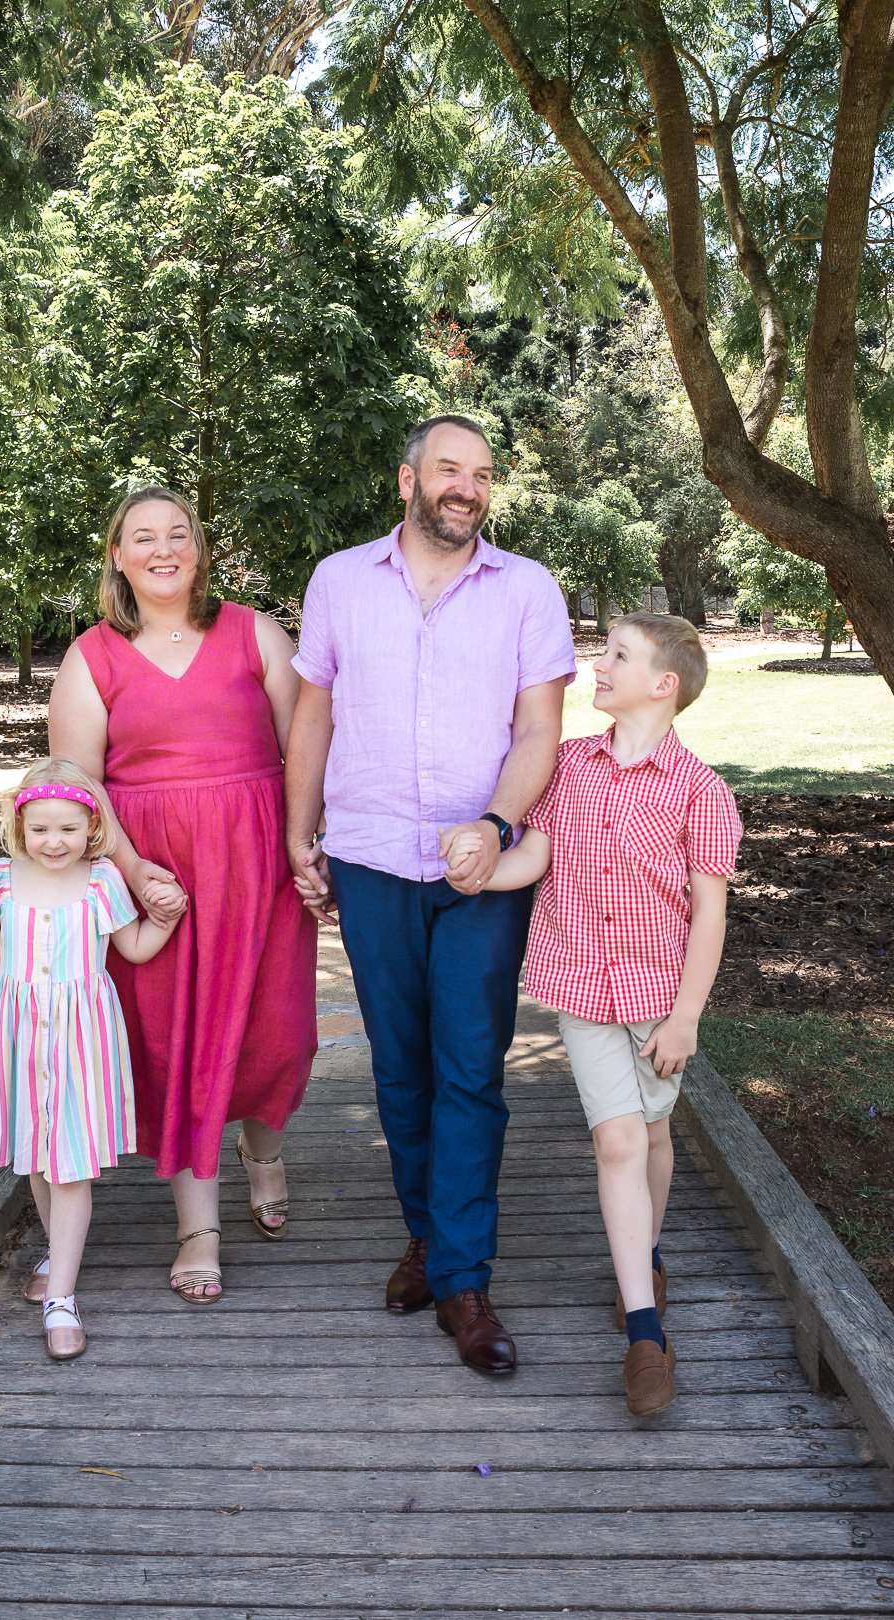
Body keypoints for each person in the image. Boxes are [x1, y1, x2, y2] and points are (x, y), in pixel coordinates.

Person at [285, 415, 576, 1373]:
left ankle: (463, 1280)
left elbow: (540, 730)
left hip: (481, 868)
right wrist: (300, 832)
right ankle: (425, 1235)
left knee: (470, 1070)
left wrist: (494, 827)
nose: (468, 487)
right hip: (369, 854)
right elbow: (315, 712)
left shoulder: (527, 589)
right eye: (450, 470)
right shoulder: (338, 580)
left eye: (483, 475)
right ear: (407, 478)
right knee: (399, 1067)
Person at [447, 612, 742, 1413]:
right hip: (580, 986)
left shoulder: (702, 793)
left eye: (616, 655)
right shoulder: (572, 767)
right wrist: (482, 873)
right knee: (617, 1140)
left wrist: (685, 1018)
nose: (596, 666)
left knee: (650, 1134)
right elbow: (540, 854)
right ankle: (646, 1336)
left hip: (658, 997)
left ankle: (643, 1254)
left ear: (663, 684)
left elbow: (708, 917)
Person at [48, 486, 317, 1305]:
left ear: (198, 550)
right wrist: (130, 872)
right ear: (118, 557)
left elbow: (302, 744)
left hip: (257, 862)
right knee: (177, 1043)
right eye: (143, 537)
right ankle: (197, 1227)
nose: (163, 548)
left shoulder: (254, 633)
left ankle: (262, 1152)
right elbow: (77, 785)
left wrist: (308, 840)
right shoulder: (91, 657)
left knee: (280, 1035)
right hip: (159, 875)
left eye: (177, 534)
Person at [0, 758, 176, 1359]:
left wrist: (165, 920)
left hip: (83, 1038)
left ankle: (62, 1299)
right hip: (22, 1036)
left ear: (92, 828)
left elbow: (131, 947)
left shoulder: (102, 880)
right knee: (36, 1152)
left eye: (69, 829)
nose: (55, 842)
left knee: (70, 1162)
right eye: (41, 829)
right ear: (20, 826)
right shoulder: (0, 880)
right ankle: (59, 1255)